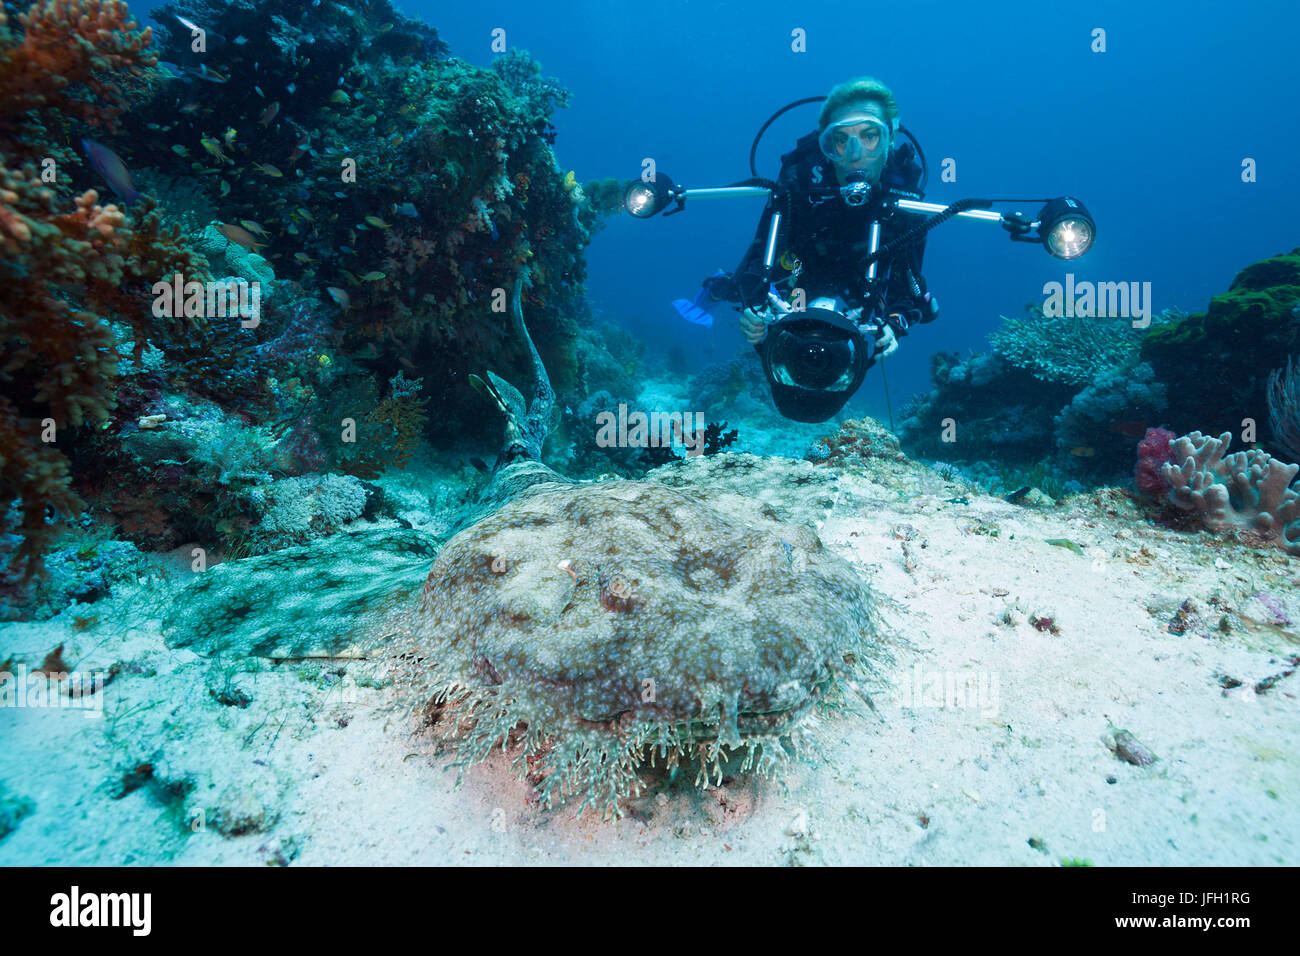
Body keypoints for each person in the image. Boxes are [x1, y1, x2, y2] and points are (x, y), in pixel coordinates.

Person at [728, 77, 940, 383]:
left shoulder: (906, 201)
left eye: (870, 136)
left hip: (865, 279)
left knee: (919, 306)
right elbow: (761, 256)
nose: (855, 154)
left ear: (890, 139)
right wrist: (754, 308)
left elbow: (907, 286)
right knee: (733, 287)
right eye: (840, 139)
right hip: (799, 266)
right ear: (825, 145)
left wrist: (894, 327)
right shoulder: (798, 182)